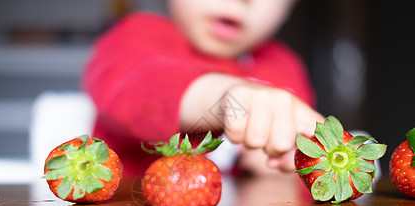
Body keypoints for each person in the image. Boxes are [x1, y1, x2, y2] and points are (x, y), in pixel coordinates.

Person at [83, 0, 324, 177]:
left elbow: (285, 166)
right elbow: (135, 90)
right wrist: (226, 99)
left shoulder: (285, 66)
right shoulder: (135, 35)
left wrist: (279, 158)